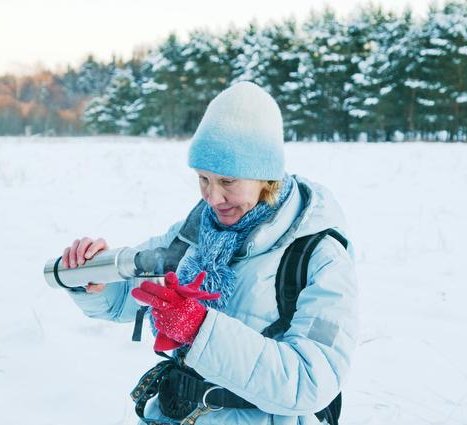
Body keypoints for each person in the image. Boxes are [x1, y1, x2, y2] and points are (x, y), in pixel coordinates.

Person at [60, 81, 358, 424]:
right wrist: (96, 277)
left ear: (266, 175)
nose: (212, 198)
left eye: (228, 181)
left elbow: (312, 379)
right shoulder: (195, 233)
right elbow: (132, 294)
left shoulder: (320, 257)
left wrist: (200, 329)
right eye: (203, 179)